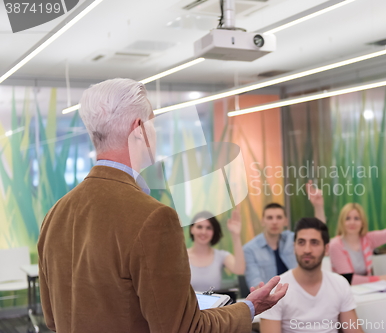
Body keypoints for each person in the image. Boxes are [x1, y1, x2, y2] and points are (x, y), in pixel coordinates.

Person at [37, 78, 288, 333]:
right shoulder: (153, 217)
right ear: (139, 130)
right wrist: (249, 307)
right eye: (153, 123)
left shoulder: (55, 214)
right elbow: (184, 329)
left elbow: (52, 319)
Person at [260, 218, 364, 333]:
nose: (307, 250)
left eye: (314, 242)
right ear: (294, 247)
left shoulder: (340, 284)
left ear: (326, 249)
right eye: (301, 242)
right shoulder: (277, 290)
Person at [243, 181, 325, 289]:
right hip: (269, 299)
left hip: (298, 292)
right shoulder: (250, 249)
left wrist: (318, 206)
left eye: (279, 217)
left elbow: (316, 232)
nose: (274, 222)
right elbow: (255, 284)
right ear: (262, 221)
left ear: (286, 221)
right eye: (270, 218)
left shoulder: (292, 239)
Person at [329, 193, 386, 285]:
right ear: (342, 222)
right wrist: (380, 278)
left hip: (366, 290)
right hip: (344, 291)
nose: (352, 222)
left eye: (356, 218)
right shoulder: (335, 245)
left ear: (362, 222)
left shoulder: (367, 239)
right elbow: (348, 279)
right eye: (347, 218)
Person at [188, 209, 245, 292]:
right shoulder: (182, 256)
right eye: (199, 227)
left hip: (215, 305)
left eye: (208, 228)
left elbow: (240, 270)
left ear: (214, 231)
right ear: (191, 229)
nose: (204, 232)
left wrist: (236, 235)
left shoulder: (221, 256)